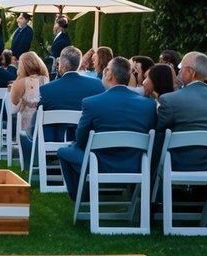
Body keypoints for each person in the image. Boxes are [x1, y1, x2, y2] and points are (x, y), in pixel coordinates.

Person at [57, 56, 157, 200]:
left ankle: (80, 197)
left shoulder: (92, 103)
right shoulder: (148, 105)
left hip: (99, 164)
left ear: (109, 74)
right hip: (136, 164)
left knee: (64, 152)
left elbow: (81, 140)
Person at [156, 51, 207, 170]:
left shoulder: (170, 100)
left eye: (181, 68)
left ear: (191, 72)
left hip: (174, 165)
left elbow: (159, 130)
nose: (179, 71)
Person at [28, 45, 102, 163]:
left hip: (56, 141)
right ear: (78, 64)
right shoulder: (97, 85)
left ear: (61, 65)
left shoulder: (47, 90)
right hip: (88, 140)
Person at [10, 51, 49, 159]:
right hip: (44, 117)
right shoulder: (46, 79)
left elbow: (13, 105)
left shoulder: (22, 82)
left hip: (28, 117)